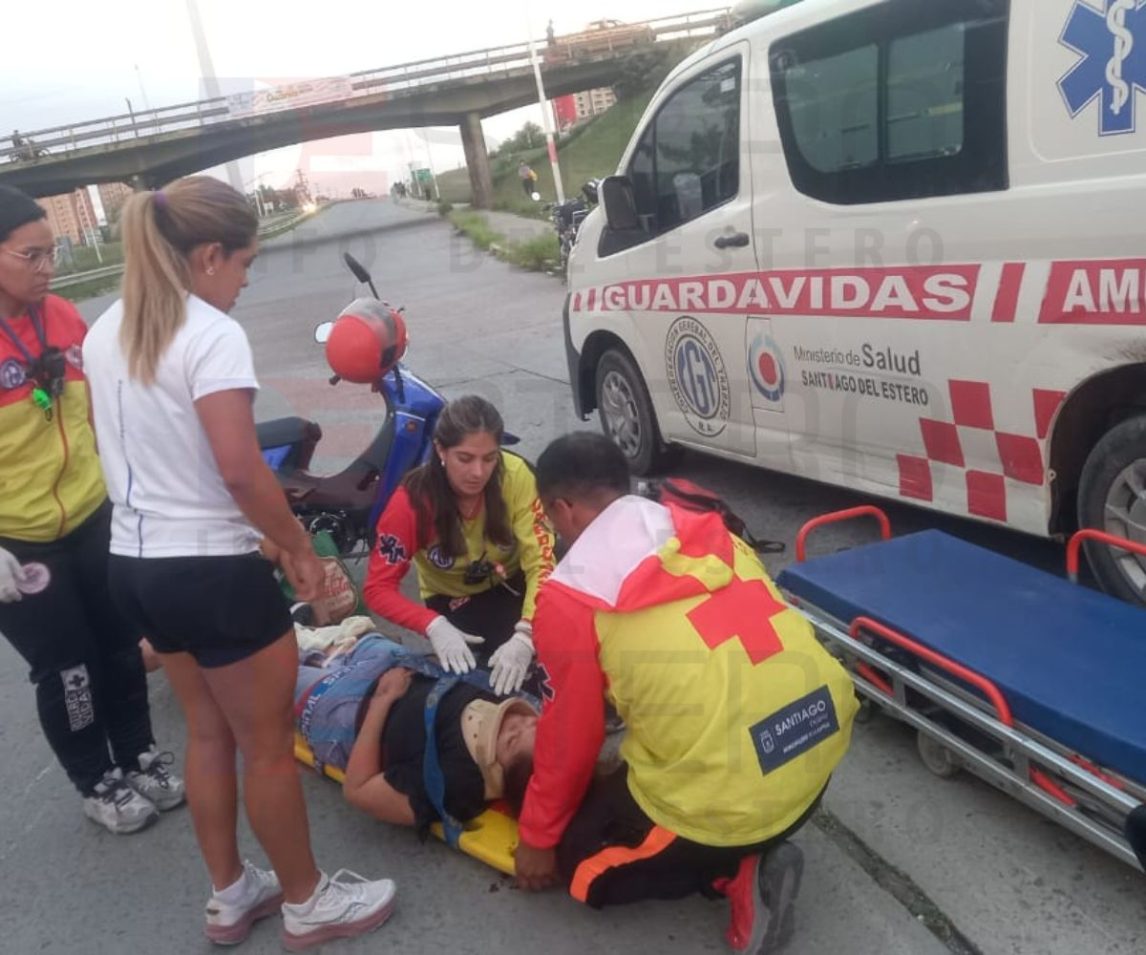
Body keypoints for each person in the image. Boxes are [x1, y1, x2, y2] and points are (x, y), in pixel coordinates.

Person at [81, 175, 396, 950]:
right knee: (264, 745)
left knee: (207, 733)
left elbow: (119, 450)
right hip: (210, 573)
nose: (248, 280)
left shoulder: (104, 330)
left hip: (137, 564)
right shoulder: (210, 333)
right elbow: (240, 468)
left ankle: (229, 895)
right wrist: (295, 547)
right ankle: (306, 899)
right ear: (210, 254)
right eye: (246, 263)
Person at [513, 433, 859, 955]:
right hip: (818, 752)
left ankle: (733, 873)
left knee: (582, 867)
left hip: (737, 802)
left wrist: (538, 839)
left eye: (549, 517)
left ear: (563, 508)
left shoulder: (570, 597)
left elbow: (572, 740)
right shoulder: (705, 526)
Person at [0, 184, 182, 835]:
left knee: (118, 644)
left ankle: (137, 753)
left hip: (93, 515)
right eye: (31, 254)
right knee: (68, 663)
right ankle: (94, 777)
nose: (47, 266)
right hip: (17, 542)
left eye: (52, 252)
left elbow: (106, 412)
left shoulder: (65, 319)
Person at [362, 395, 556, 696]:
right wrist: (431, 624)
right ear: (441, 449)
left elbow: (541, 561)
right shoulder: (411, 501)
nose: (478, 472)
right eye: (465, 459)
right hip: (454, 598)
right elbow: (377, 588)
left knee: (563, 645)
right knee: (488, 690)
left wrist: (528, 632)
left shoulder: (515, 474)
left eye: (490, 458)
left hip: (516, 579)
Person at [292, 631, 537, 834]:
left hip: (345, 713)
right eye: (531, 723)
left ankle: (309, 653)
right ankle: (310, 644)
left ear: (503, 774)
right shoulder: (513, 707)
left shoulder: (457, 786)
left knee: (266, 666)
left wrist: (382, 701)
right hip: (394, 664)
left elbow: (359, 790)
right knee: (309, 635)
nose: (515, 721)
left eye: (512, 739)